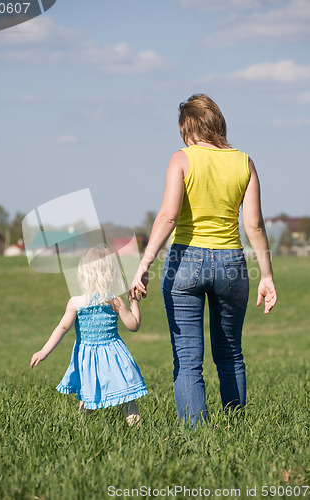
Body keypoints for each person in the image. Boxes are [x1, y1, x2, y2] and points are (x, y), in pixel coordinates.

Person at [131, 94, 277, 427]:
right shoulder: (244, 161)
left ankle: (196, 436)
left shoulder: (181, 159)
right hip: (232, 264)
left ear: (189, 126)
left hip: (185, 261)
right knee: (230, 354)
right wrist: (266, 276)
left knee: (187, 359)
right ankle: (237, 429)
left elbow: (168, 217)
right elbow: (253, 224)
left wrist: (145, 263)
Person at [30, 245, 148, 426]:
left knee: (86, 398)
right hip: (114, 356)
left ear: (83, 273)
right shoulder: (114, 300)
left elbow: (62, 328)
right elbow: (133, 325)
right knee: (127, 399)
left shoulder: (76, 302)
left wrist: (43, 351)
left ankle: (82, 433)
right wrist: (134, 303)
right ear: (111, 273)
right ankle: (140, 434)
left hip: (87, 357)